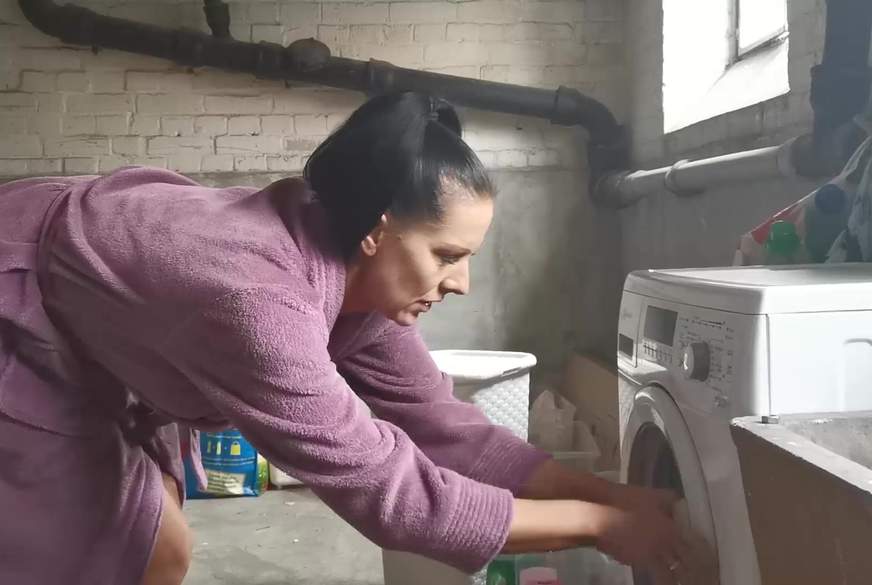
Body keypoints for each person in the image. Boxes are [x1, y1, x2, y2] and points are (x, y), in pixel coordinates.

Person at [0, 91, 692, 585]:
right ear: (378, 230)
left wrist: (609, 495)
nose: (461, 283)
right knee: (116, 549)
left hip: (92, 312)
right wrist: (601, 525)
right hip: (22, 311)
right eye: (447, 255)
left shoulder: (350, 264)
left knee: (154, 538)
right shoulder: (260, 303)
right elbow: (401, 499)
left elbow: (446, 425)